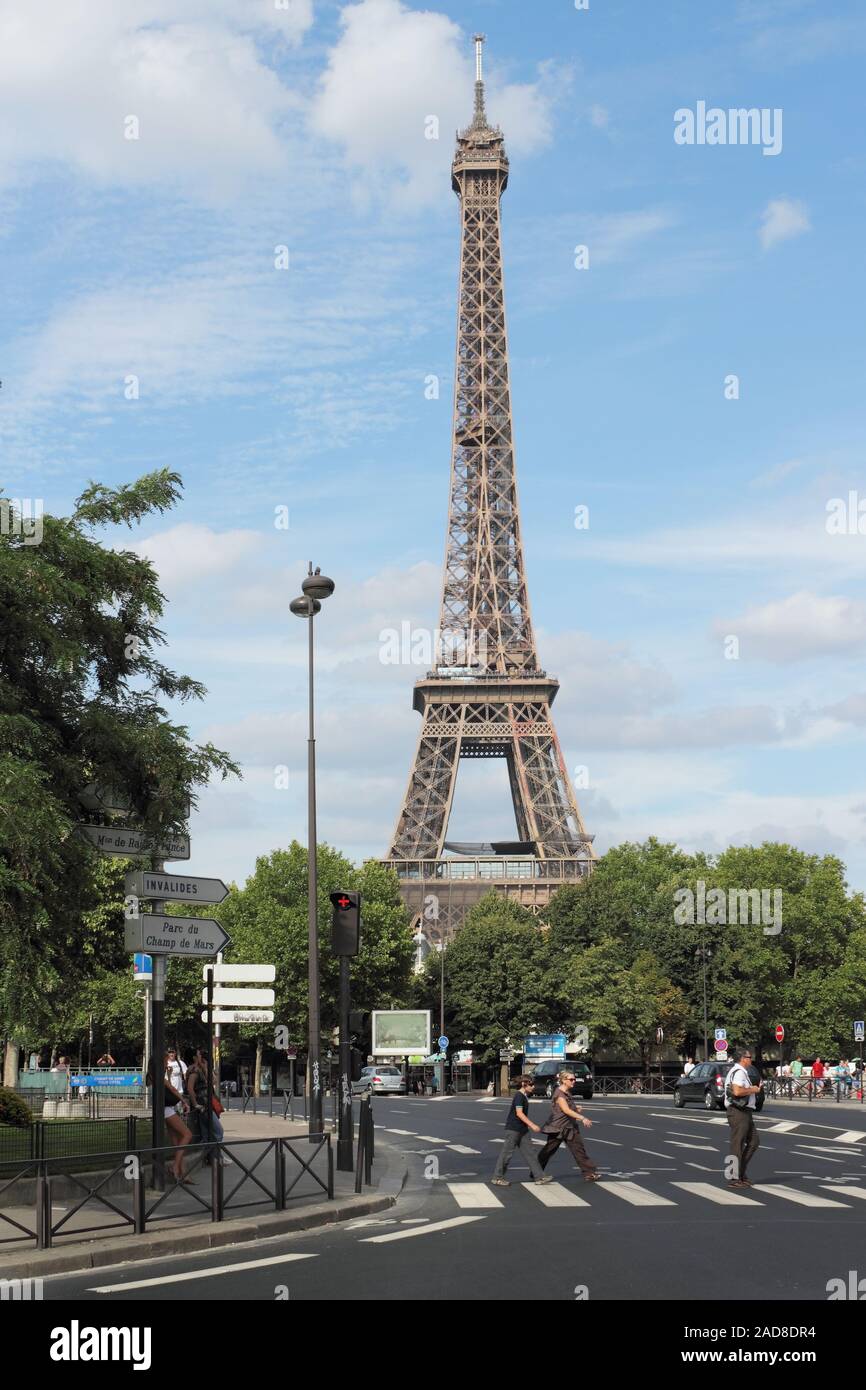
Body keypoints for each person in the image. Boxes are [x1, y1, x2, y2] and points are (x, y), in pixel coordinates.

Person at [491, 1076, 554, 1187]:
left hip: (522, 1129)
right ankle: (497, 1177)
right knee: (506, 1154)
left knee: (531, 1153)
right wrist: (532, 1125)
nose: (533, 1087)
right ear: (524, 1084)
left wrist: (527, 1126)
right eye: (531, 1084)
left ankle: (539, 1177)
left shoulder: (523, 1096)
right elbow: (519, 1113)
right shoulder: (519, 1096)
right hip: (514, 1129)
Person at [537, 1070, 599, 1181]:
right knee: (548, 1151)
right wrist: (582, 1118)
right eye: (571, 1079)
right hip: (558, 1128)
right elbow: (565, 1110)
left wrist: (576, 1109)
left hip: (570, 1127)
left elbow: (567, 1108)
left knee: (579, 1149)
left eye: (574, 1079)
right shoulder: (560, 1094)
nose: (574, 1081)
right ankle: (536, 1171)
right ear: (563, 1080)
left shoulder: (567, 1092)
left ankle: (589, 1172)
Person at [146, 1053, 192, 1183]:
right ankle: (175, 1167)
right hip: (166, 1109)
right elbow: (172, 1089)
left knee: (176, 1141)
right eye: (165, 1063)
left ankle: (183, 1173)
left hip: (164, 1109)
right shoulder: (158, 1077)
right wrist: (184, 1101)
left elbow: (168, 1088)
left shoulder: (152, 1076)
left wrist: (169, 1074)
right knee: (187, 1134)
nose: (167, 1065)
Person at [725, 1047, 761, 1188]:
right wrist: (754, 1089)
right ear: (743, 1059)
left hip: (744, 1111)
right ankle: (733, 1178)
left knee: (754, 1141)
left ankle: (740, 1173)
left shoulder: (740, 1071)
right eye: (749, 1057)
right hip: (738, 1111)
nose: (751, 1059)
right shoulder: (739, 1072)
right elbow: (737, 1091)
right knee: (737, 1145)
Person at [186, 1048, 229, 1165]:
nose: (202, 1057)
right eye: (200, 1055)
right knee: (218, 1132)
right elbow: (190, 1088)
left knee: (206, 1135)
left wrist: (206, 1068)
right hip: (203, 1104)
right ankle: (215, 1157)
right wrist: (195, 1104)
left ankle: (210, 1158)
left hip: (207, 1103)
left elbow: (213, 1081)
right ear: (194, 1058)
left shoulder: (201, 1068)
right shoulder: (194, 1070)